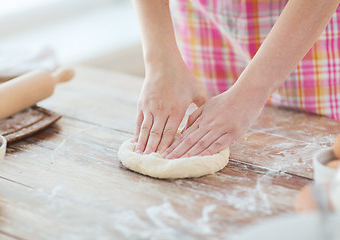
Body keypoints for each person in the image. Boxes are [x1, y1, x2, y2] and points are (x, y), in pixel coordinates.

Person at [132, 0, 340, 159]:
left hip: (303, 25)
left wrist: (252, 91)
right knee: (210, 134)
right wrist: (160, 60)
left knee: (317, 152)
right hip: (207, 20)